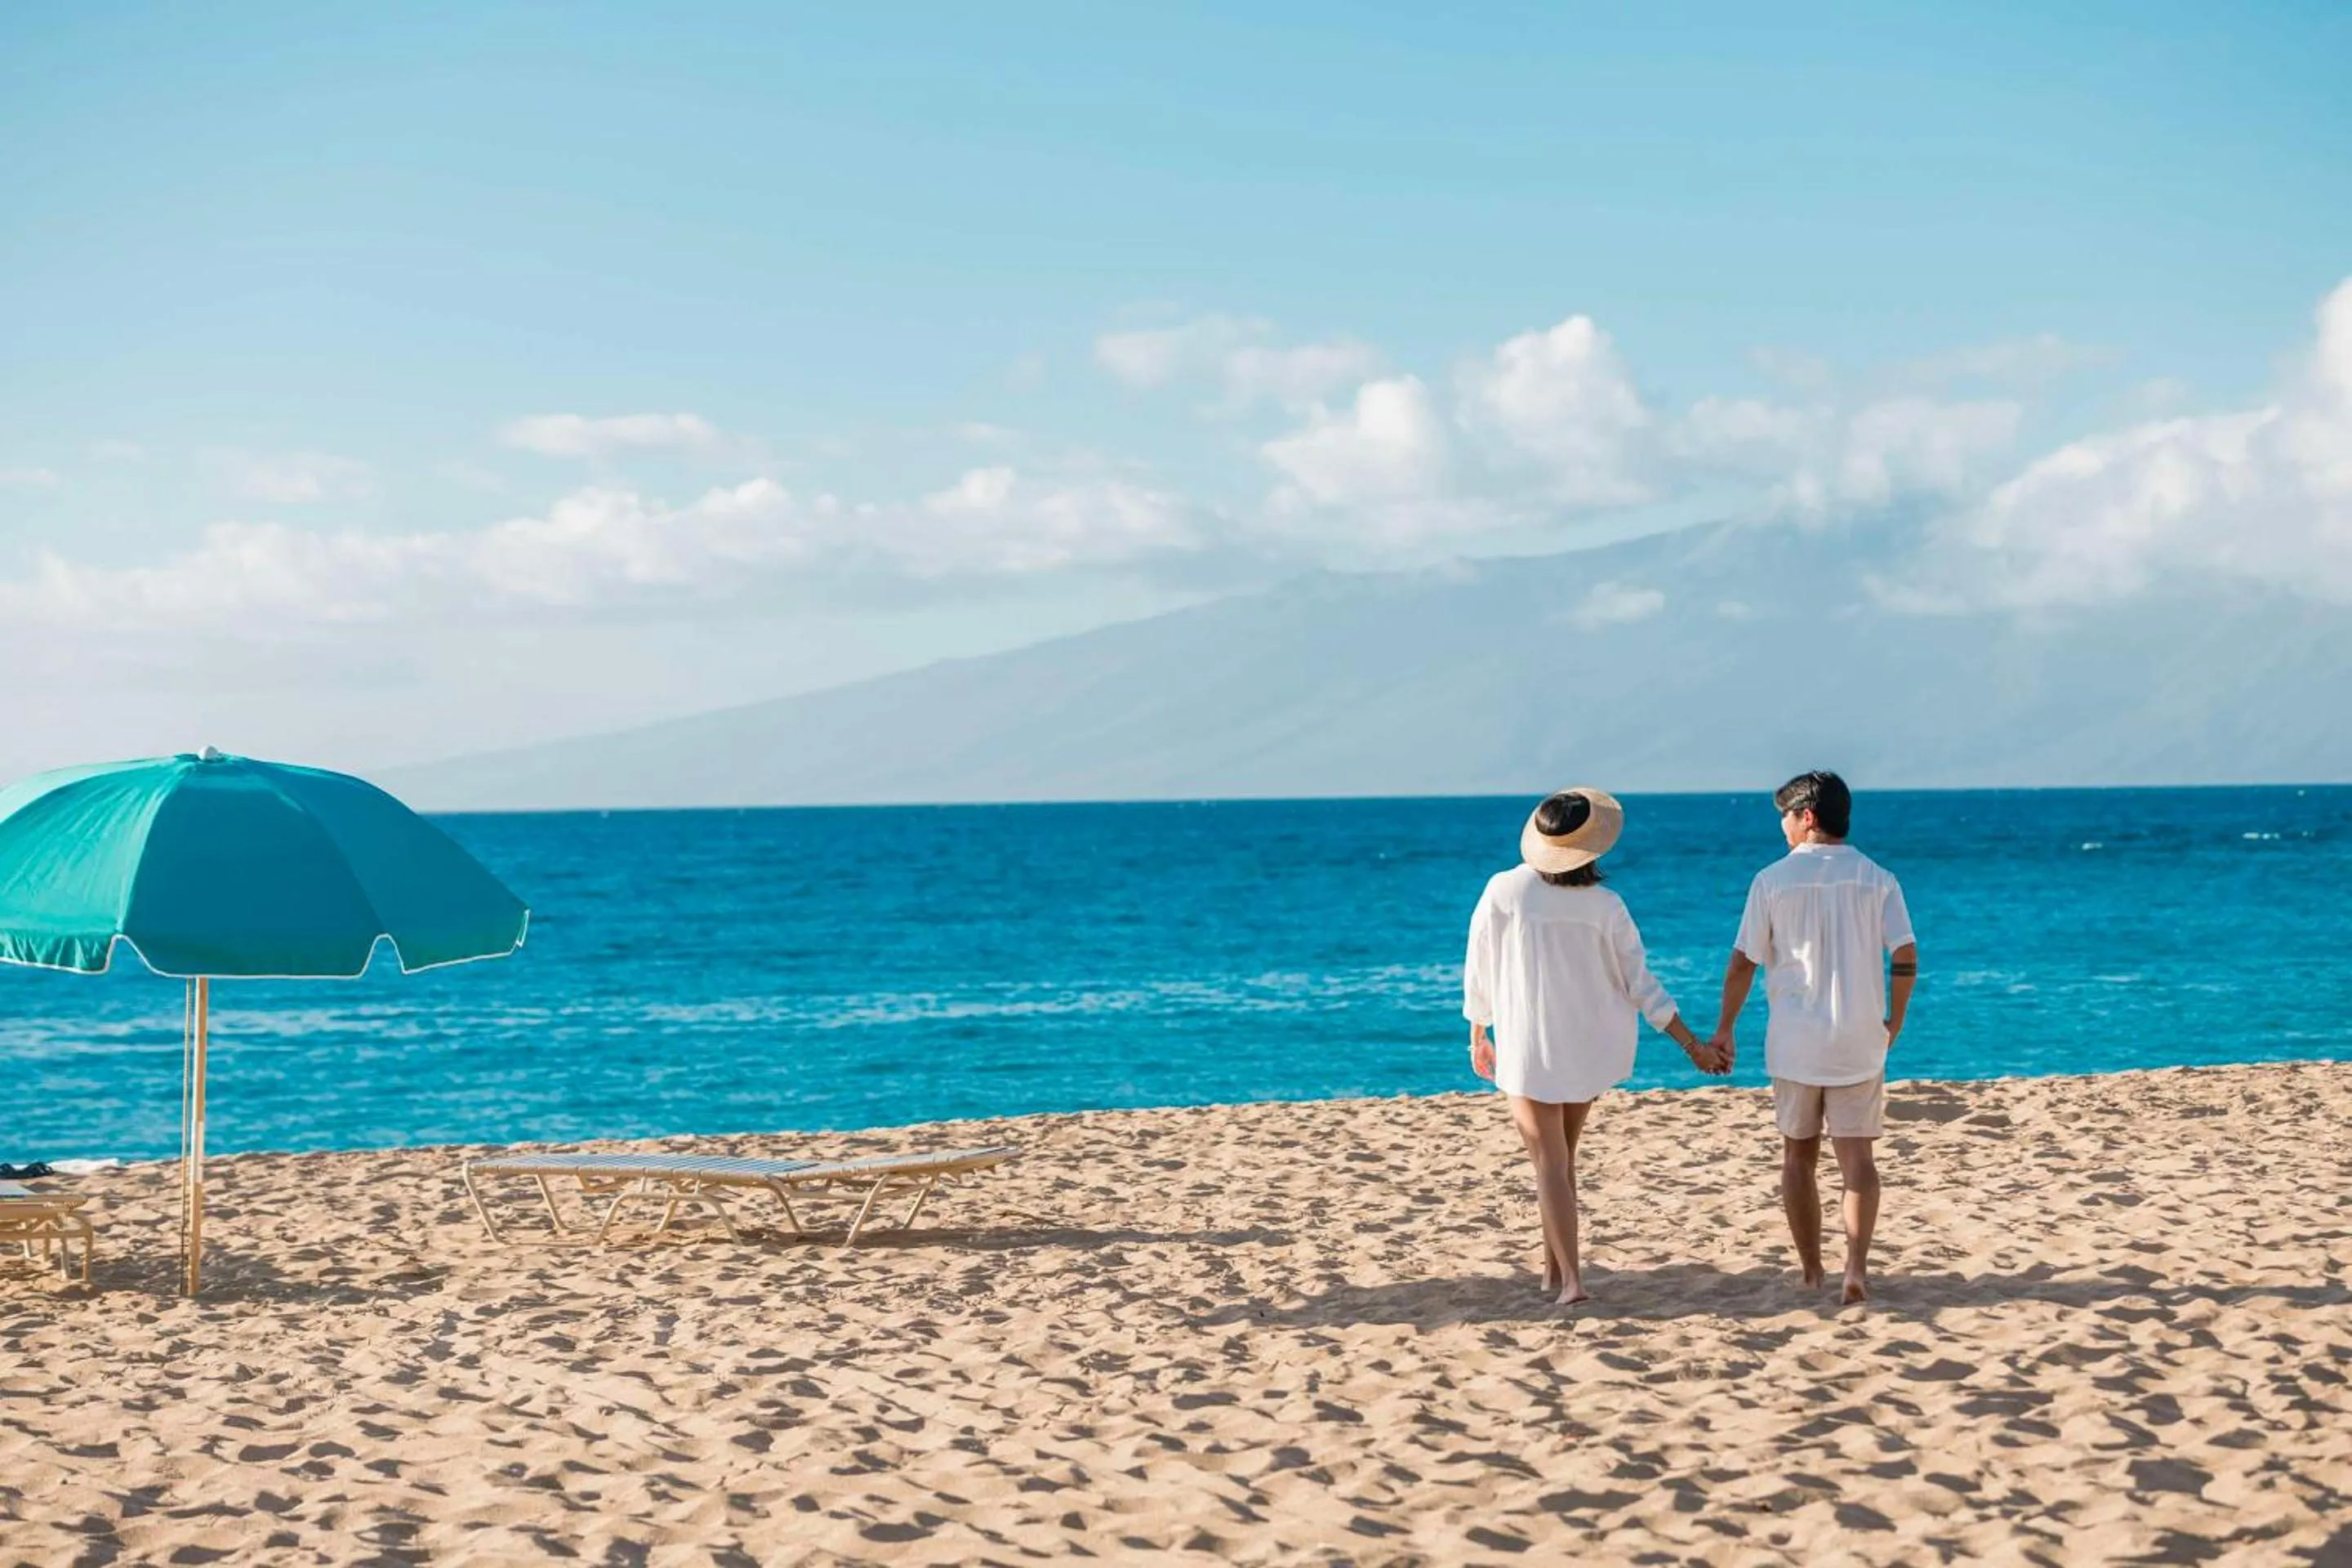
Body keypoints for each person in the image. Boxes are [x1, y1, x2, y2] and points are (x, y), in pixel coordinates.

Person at [1464, 787, 1726, 1307]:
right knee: (1559, 1164)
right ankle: (1551, 1271)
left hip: (1532, 1046)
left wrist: (1479, 1028)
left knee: (1550, 1165)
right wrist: (1690, 1044)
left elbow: (1481, 964)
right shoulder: (1606, 905)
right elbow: (1640, 984)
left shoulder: (1505, 890)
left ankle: (1572, 1282)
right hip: (1585, 1047)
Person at [1708, 771, 1917, 1305]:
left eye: (1785, 814)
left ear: (1808, 817)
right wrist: (1895, 1020)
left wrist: (1725, 1027)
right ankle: (1856, 1270)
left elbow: (1742, 963)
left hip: (1796, 1042)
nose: (1781, 825)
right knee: (1858, 1162)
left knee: (1798, 1158)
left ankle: (1809, 1270)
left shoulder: (1773, 880)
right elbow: (1905, 955)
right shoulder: (1878, 878)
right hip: (1859, 1039)